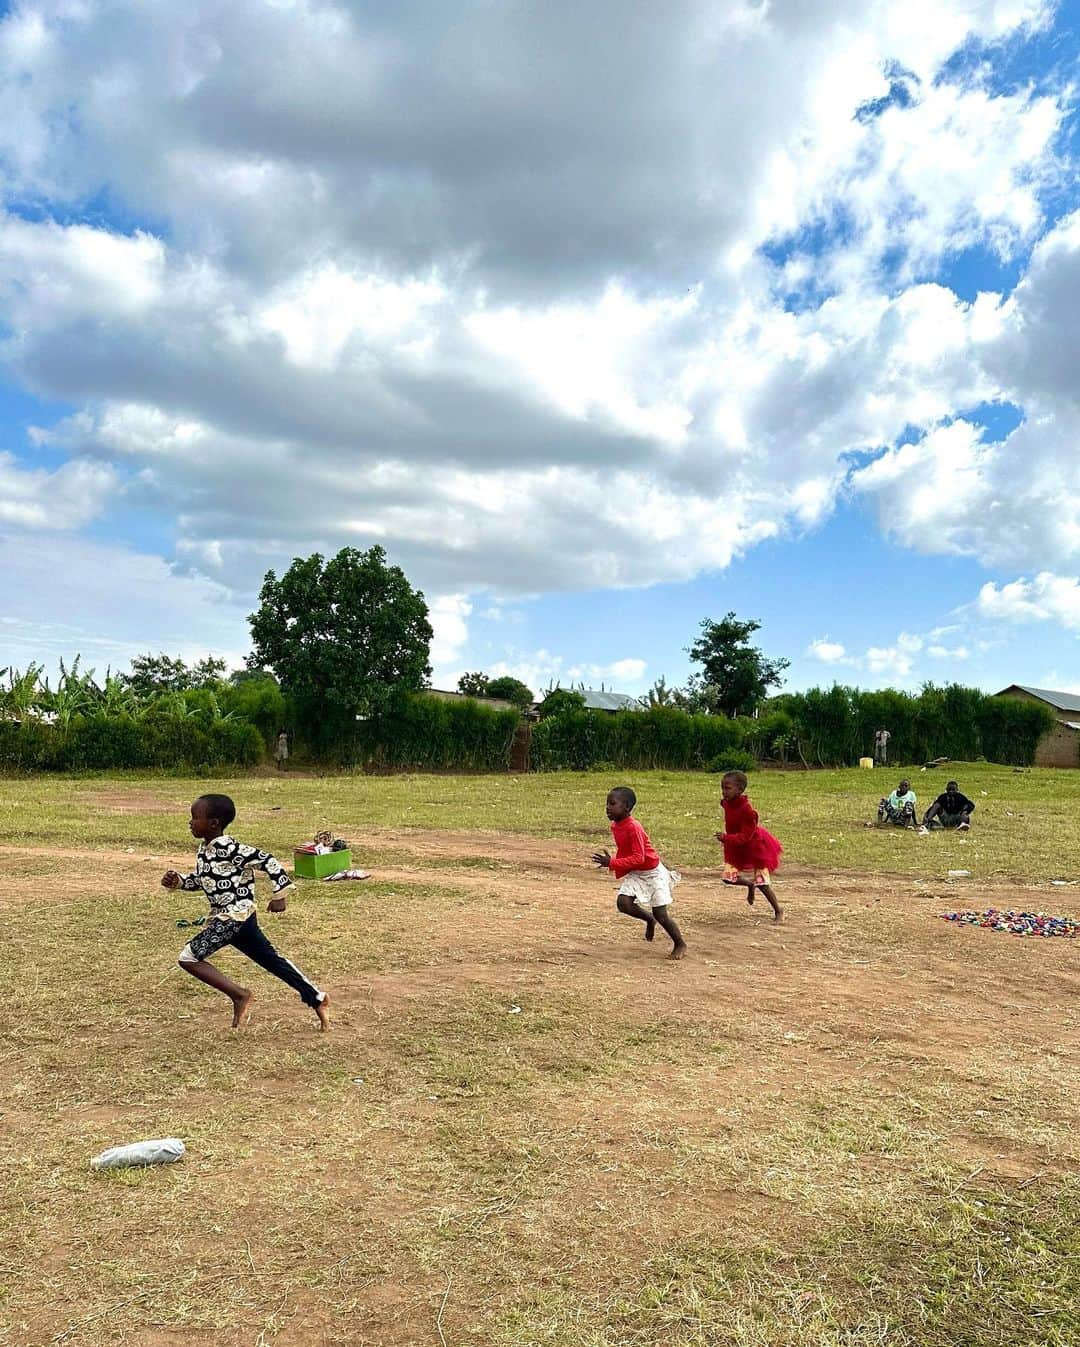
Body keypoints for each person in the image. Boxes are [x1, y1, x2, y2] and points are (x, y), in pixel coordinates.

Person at [162, 793, 330, 1030]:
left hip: (233, 918)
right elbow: (203, 881)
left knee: (188, 957)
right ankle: (317, 998)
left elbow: (268, 860)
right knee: (272, 961)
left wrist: (280, 895)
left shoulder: (232, 849)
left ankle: (239, 995)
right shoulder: (205, 850)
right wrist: (177, 881)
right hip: (238, 919)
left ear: (214, 823)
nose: (190, 822)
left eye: (194, 817)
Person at [592, 786, 686, 960]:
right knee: (623, 903)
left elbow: (639, 858)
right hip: (637, 872)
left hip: (652, 873)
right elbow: (628, 853)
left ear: (626, 807)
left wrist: (612, 862)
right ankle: (649, 919)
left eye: (612, 804)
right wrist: (616, 864)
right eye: (607, 803)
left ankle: (680, 943)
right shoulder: (616, 825)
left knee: (662, 915)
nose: (607, 807)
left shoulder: (633, 827)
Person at [715, 770, 783, 922]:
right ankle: (749, 885)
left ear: (740, 790)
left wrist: (726, 838)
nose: (724, 792)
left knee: (762, 883)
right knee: (728, 878)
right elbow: (727, 808)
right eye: (722, 788)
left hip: (755, 847)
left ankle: (778, 910)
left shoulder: (748, 811)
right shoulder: (727, 803)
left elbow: (746, 836)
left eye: (728, 788)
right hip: (736, 846)